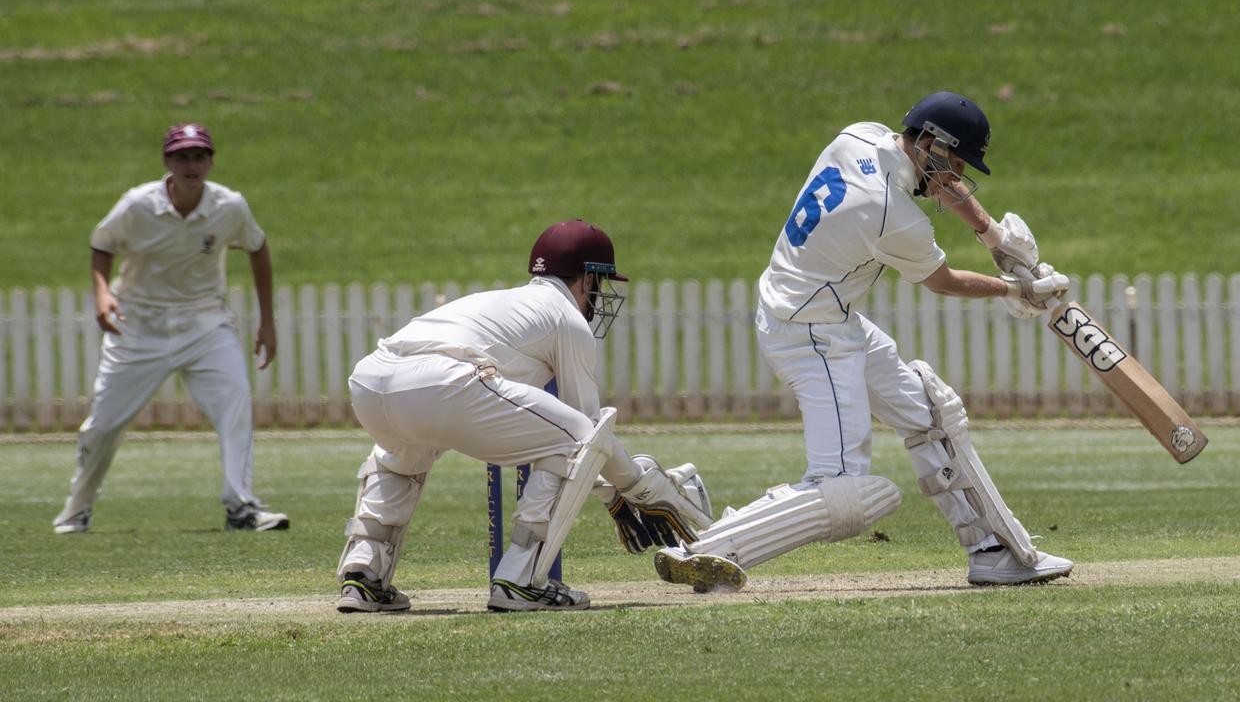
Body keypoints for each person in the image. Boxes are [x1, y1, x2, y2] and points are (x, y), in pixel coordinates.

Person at [654, 91, 1075, 592]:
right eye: (952, 164)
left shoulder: (860, 135)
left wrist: (994, 237)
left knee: (929, 411)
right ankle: (705, 549)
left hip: (822, 312)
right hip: (810, 333)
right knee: (844, 487)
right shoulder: (890, 214)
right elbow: (943, 282)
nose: (954, 178)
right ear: (930, 143)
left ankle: (991, 552)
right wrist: (1015, 290)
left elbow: (937, 184)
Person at [335, 219, 714, 613]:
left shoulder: (505, 301)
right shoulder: (566, 318)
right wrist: (635, 489)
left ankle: (364, 577)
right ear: (587, 279)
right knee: (576, 434)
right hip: (447, 380)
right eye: (600, 285)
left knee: (401, 459)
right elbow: (590, 435)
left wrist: (613, 494)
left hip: (371, 382)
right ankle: (520, 581)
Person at [52, 123, 288, 534]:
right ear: (168, 162)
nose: (191, 164)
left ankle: (241, 507)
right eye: (182, 156)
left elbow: (257, 247)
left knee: (235, 405)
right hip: (138, 326)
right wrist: (103, 293)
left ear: (211, 161)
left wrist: (267, 322)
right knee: (103, 426)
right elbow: (102, 245)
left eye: (199, 156)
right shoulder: (136, 204)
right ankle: (76, 509)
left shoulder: (229, 205)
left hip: (205, 323)